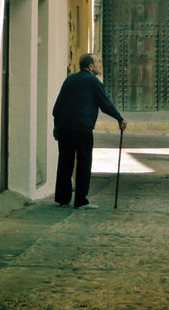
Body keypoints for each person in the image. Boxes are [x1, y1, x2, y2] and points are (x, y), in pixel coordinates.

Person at [51, 53, 126, 209]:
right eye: (97, 62)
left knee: (65, 161)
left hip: (64, 128)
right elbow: (105, 104)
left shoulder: (69, 80)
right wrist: (119, 118)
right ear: (90, 66)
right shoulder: (94, 82)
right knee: (84, 162)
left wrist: (56, 126)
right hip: (82, 128)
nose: (99, 65)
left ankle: (62, 198)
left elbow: (57, 106)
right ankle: (80, 200)